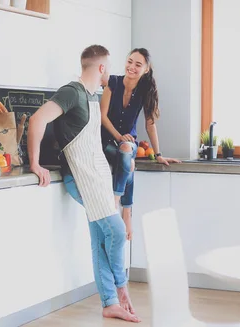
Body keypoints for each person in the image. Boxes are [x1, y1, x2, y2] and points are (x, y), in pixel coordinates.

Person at [27, 44, 141, 323]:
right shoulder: (72, 92)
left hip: (96, 173)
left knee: (101, 236)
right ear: (101, 68)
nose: (110, 72)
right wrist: (34, 163)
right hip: (79, 176)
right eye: (109, 67)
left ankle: (110, 303)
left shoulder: (91, 95)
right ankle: (121, 289)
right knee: (114, 229)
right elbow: (37, 119)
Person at [100, 48, 180, 241]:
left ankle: (116, 202)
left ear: (146, 69)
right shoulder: (113, 83)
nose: (132, 67)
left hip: (128, 144)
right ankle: (127, 212)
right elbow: (102, 116)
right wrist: (119, 136)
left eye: (138, 64)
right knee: (129, 163)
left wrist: (158, 153)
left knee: (127, 150)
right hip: (107, 141)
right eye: (130, 61)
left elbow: (150, 124)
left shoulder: (145, 91)